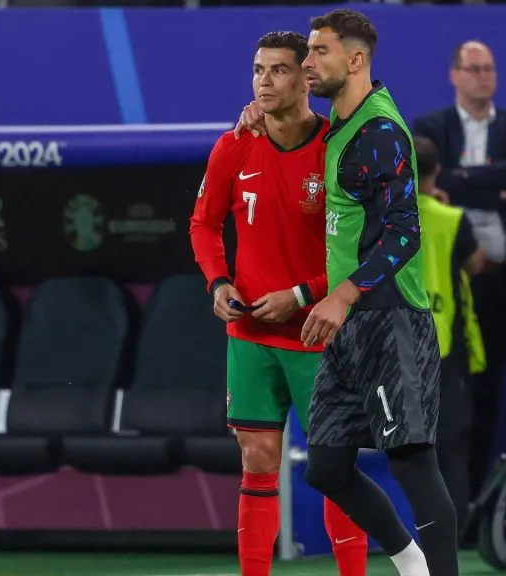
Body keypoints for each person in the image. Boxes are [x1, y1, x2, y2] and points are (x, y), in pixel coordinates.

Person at [234, 9, 459, 576]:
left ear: (356, 59)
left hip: (390, 316)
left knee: (411, 459)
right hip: (348, 324)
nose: (307, 63)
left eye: (320, 52)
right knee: (326, 468)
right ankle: (411, 563)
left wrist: (341, 296)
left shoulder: (380, 132)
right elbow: (292, 128)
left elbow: (405, 231)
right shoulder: (339, 123)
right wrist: (258, 111)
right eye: (306, 53)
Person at [188, 31, 367, 576]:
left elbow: (357, 250)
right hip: (251, 338)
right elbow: (203, 224)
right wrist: (219, 283)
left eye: (278, 70)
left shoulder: (337, 148)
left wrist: (302, 294)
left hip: (318, 334)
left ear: (306, 78)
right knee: (258, 460)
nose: (264, 81)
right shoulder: (234, 145)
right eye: (257, 70)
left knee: (335, 467)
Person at [412, 40, 506, 502]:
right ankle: (448, 505)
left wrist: (466, 181)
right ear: (455, 75)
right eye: (475, 69)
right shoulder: (429, 127)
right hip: (452, 290)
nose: (484, 77)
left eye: (490, 68)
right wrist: (497, 181)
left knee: (495, 395)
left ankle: (478, 503)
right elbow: (433, 182)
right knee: (449, 403)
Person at [414, 134, 486, 532]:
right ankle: (451, 532)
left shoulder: (388, 217)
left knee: (410, 446)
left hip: (400, 344)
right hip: (445, 344)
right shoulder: (452, 219)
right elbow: (475, 263)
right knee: (452, 445)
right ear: (437, 170)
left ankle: (415, 528)